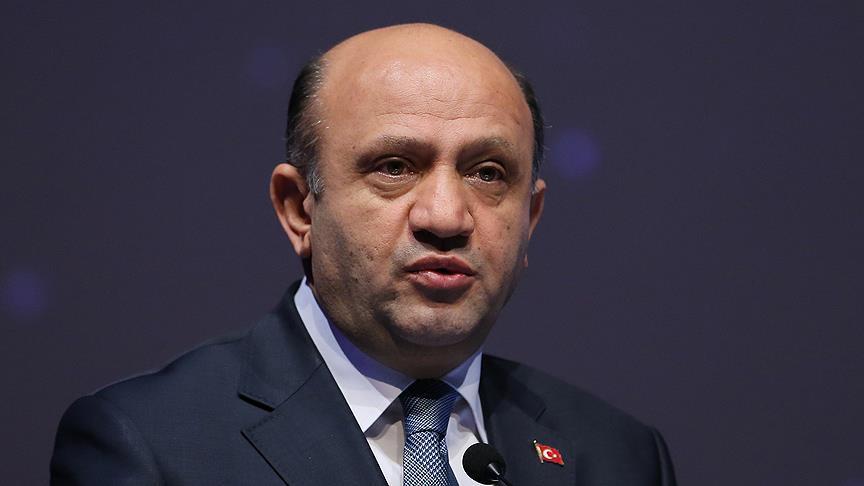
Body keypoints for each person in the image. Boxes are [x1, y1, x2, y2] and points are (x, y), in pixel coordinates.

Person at [51, 23, 676, 485]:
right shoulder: (148, 444)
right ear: (299, 209)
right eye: (394, 167)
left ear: (531, 220)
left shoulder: (619, 457)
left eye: (487, 173)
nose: (446, 218)